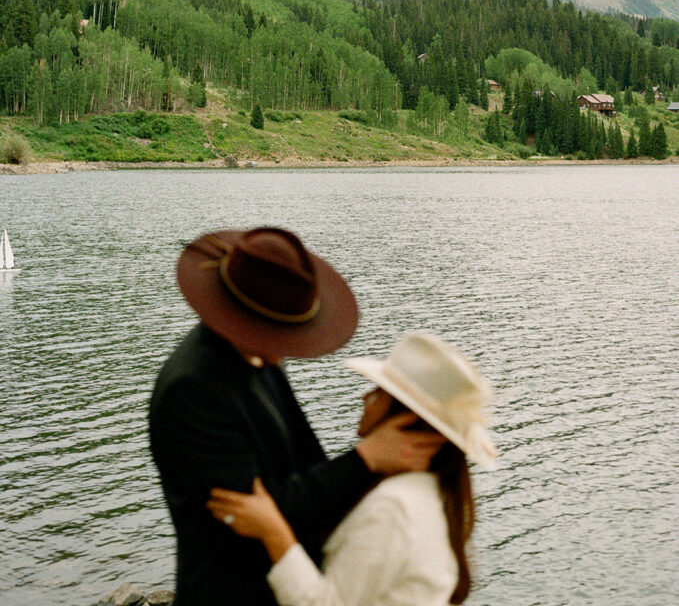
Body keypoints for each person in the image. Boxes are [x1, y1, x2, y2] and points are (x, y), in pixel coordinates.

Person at [149, 228, 444, 606]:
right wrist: (366, 459)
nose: (283, 352)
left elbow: (301, 465)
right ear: (239, 317)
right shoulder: (193, 389)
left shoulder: (254, 349)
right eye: (276, 336)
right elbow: (255, 514)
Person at [207, 331, 498, 606]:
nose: (364, 397)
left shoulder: (394, 507)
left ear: (406, 419)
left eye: (379, 391)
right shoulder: (431, 493)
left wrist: (274, 533)